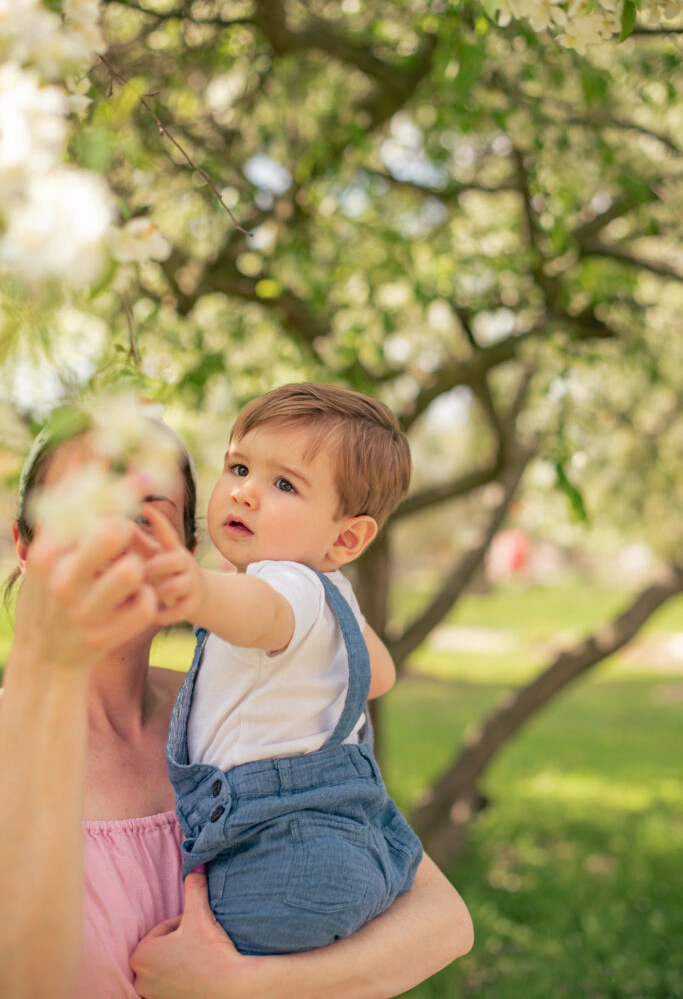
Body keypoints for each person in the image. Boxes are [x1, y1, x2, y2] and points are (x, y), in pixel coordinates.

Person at [0, 411, 474, 999]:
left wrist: (249, 984)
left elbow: (445, 924)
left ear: (188, 553)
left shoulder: (244, 714)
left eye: (143, 516)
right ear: (25, 543)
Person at [143, 383, 424, 955]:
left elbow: (261, 615)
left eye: (283, 484)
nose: (244, 493)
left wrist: (195, 587)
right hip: (342, 838)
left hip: (275, 853)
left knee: (189, 967)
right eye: (239, 467)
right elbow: (383, 674)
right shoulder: (333, 596)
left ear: (347, 536)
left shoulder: (285, 584)